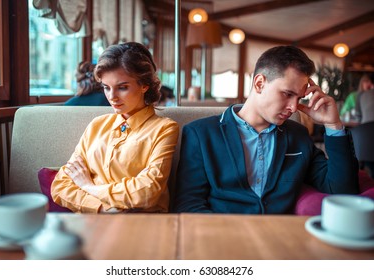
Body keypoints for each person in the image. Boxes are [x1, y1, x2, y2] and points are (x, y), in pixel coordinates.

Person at [173, 45, 359, 214]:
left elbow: (342, 190)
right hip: (223, 240)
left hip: (282, 241)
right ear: (259, 83)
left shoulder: (297, 135)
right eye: (287, 94)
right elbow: (189, 205)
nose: (294, 108)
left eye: (299, 98)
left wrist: (333, 125)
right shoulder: (200, 134)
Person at [51, 42, 179, 213]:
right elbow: (60, 185)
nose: (112, 97)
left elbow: (148, 191)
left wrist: (89, 187)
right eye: (106, 87)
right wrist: (101, 209)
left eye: (122, 87)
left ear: (144, 85)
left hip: (142, 222)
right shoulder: (97, 125)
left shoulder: (165, 128)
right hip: (93, 221)